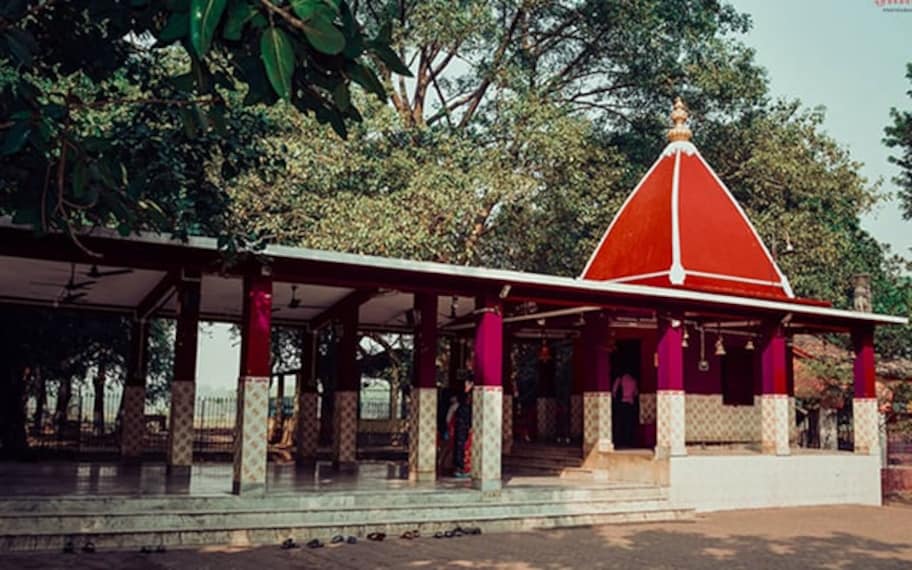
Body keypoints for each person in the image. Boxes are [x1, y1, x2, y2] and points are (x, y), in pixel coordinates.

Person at [612, 368, 638, 448]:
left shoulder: (619, 380)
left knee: (620, 423)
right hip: (630, 404)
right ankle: (628, 441)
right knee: (629, 423)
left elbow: (614, 392)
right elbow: (636, 393)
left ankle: (619, 441)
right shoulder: (633, 381)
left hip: (621, 404)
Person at [453, 377, 474, 478]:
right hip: (461, 427)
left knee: (462, 448)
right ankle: (459, 468)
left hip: (464, 427)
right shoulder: (461, 405)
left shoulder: (466, 405)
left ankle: (461, 468)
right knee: (460, 447)